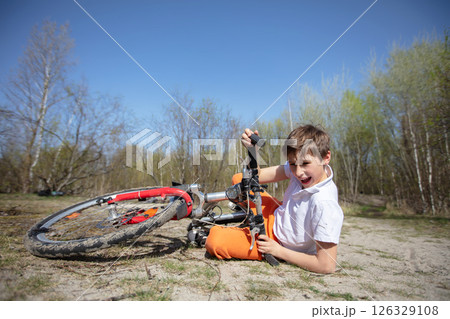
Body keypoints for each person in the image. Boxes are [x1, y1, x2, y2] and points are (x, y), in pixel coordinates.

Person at [205, 124, 344, 274]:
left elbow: (326, 266)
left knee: (215, 240)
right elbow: (257, 176)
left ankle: (242, 227)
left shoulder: (325, 204)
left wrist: (278, 251)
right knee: (239, 179)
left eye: (305, 164)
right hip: (274, 213)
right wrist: (252, 152)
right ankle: (246, 217)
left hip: (274, 239)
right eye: (292, 164)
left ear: (326, 158)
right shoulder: (302, 169)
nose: (298, 172)